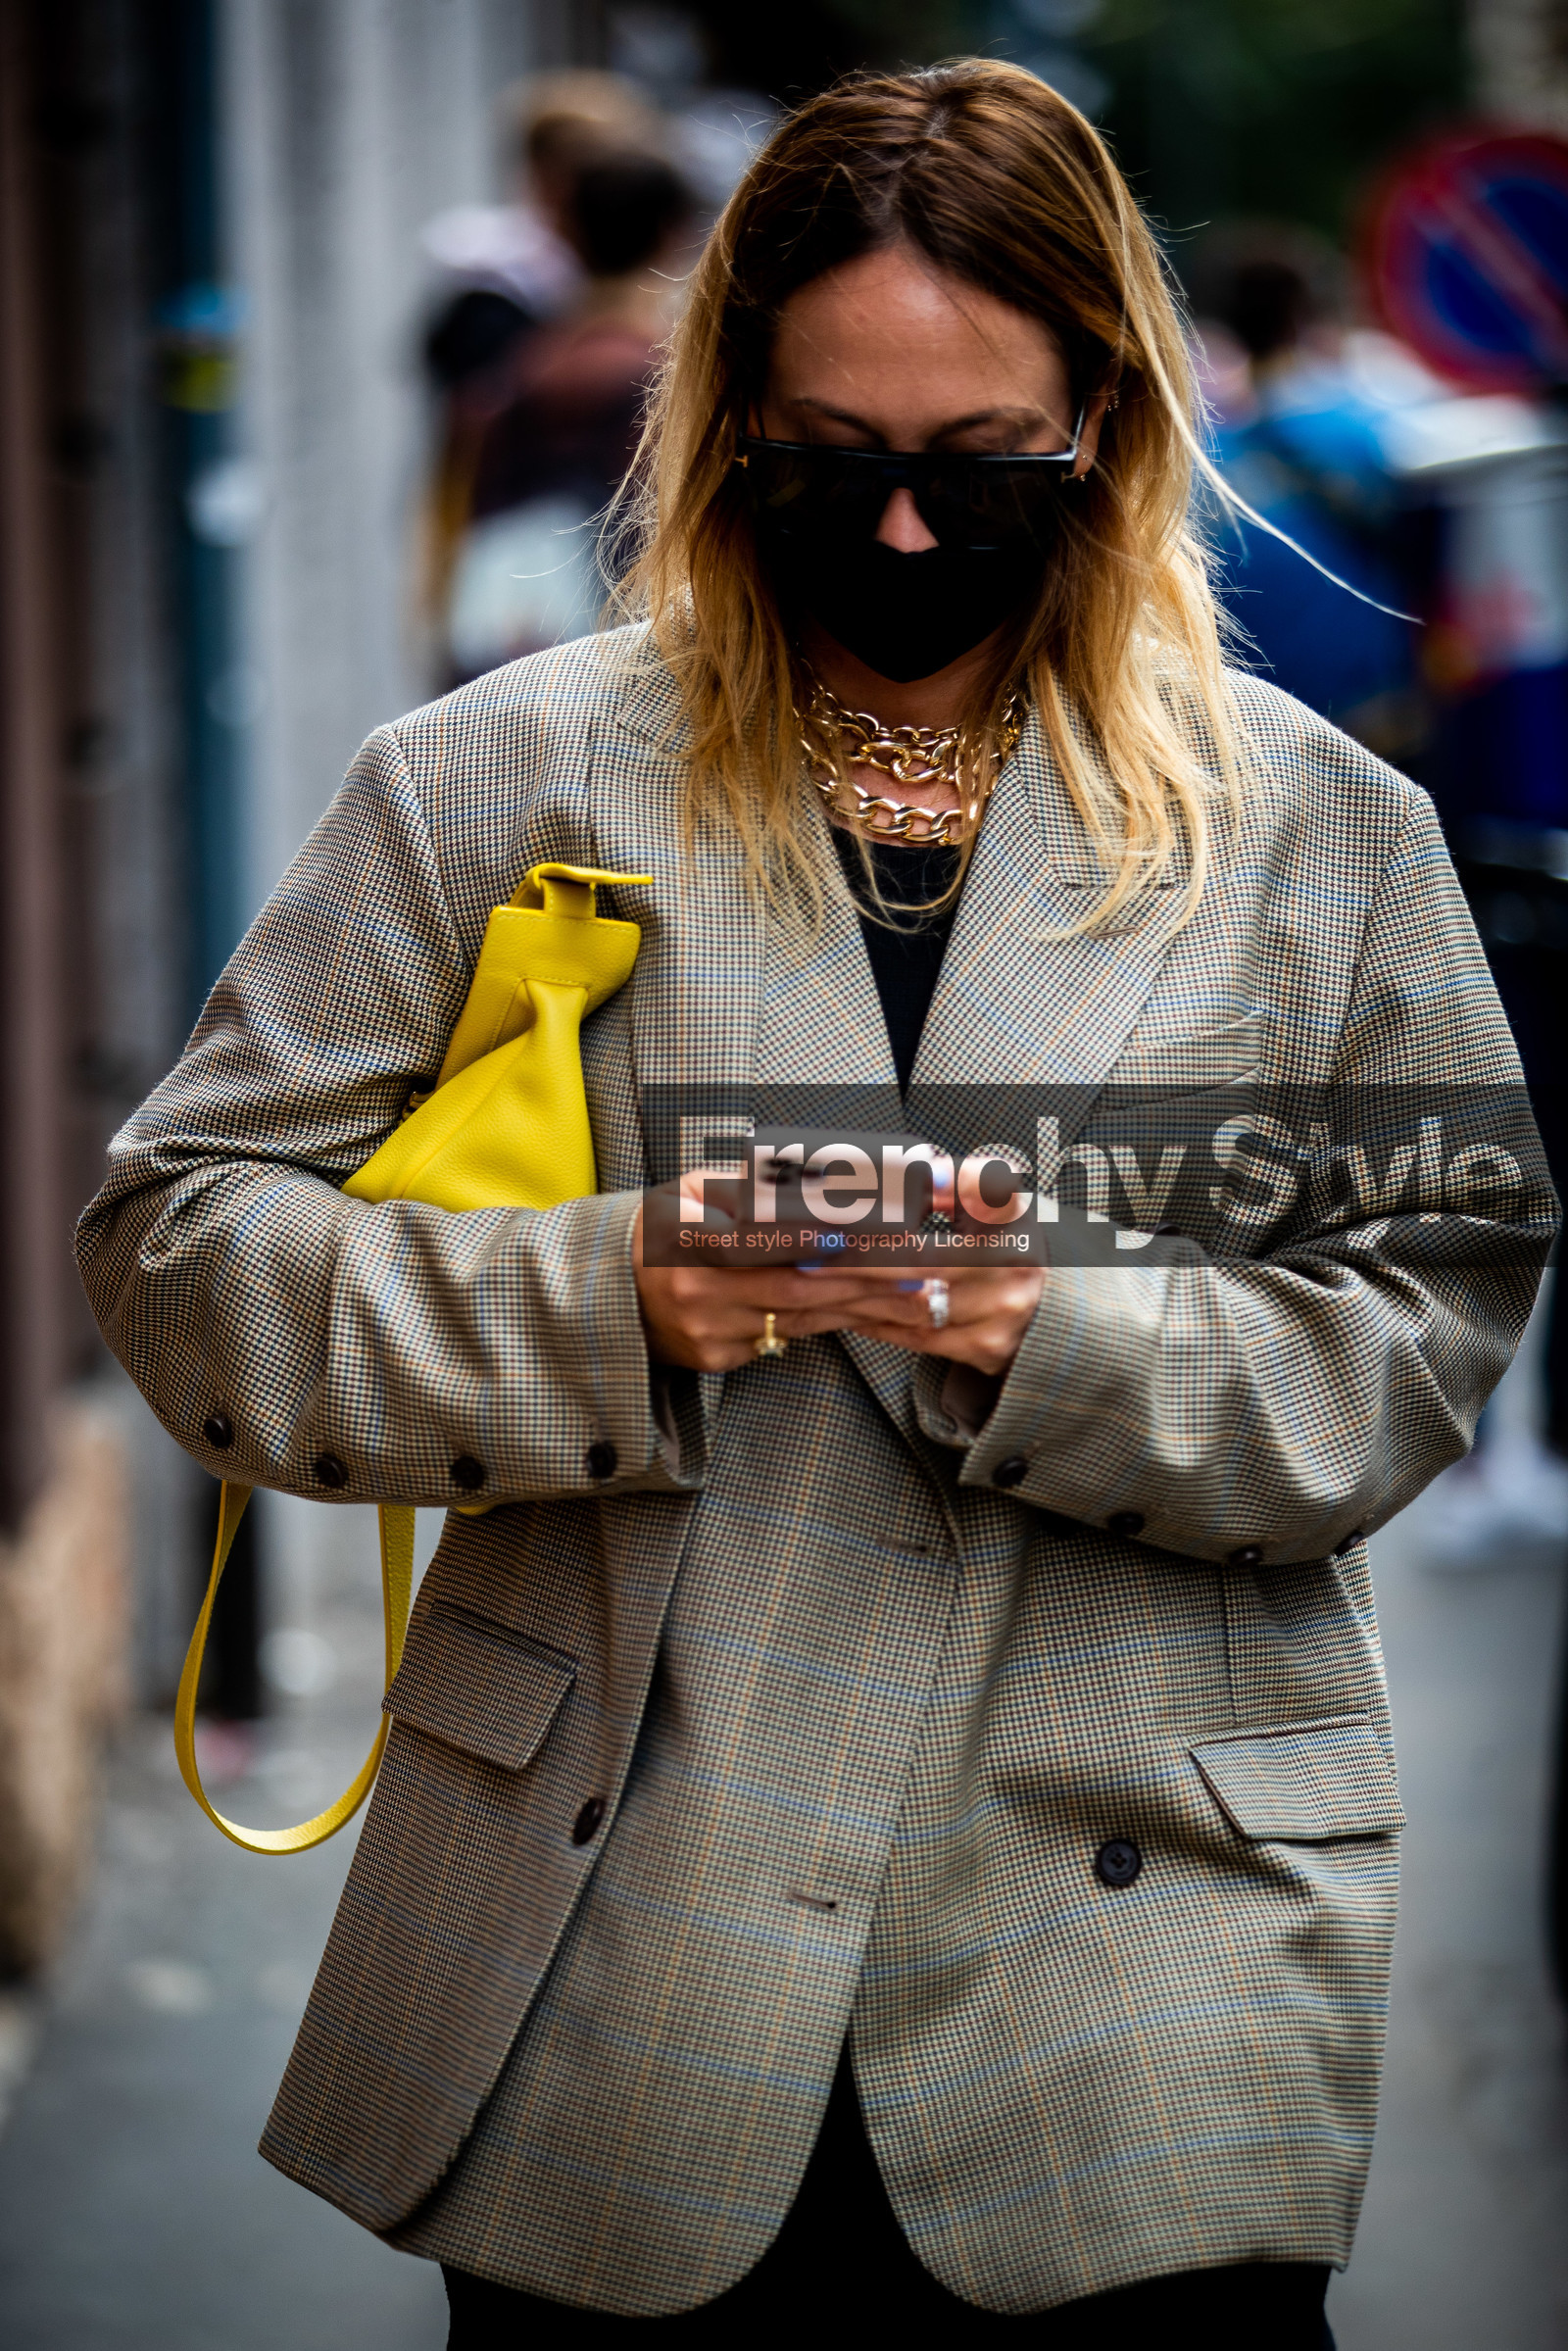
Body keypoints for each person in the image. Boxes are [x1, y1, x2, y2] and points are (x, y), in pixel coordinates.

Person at [76, 63, 1553, 2349]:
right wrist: (607, 1293)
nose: (890, 538)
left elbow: (1431, 1299)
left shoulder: (1312, 829)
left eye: (976, 470)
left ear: (1108, 425)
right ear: (716, 427)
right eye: (818, 463)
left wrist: (1043, 1327)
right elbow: (180, 1248)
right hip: (609, 1949)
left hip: (1136, 1967)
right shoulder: (488, 783)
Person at [442, 146, 693, 682]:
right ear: (675, 233)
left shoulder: (518, 370)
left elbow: (459, 519)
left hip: (521, 662)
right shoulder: (676, 377)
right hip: (639, 667)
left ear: (567, 236)